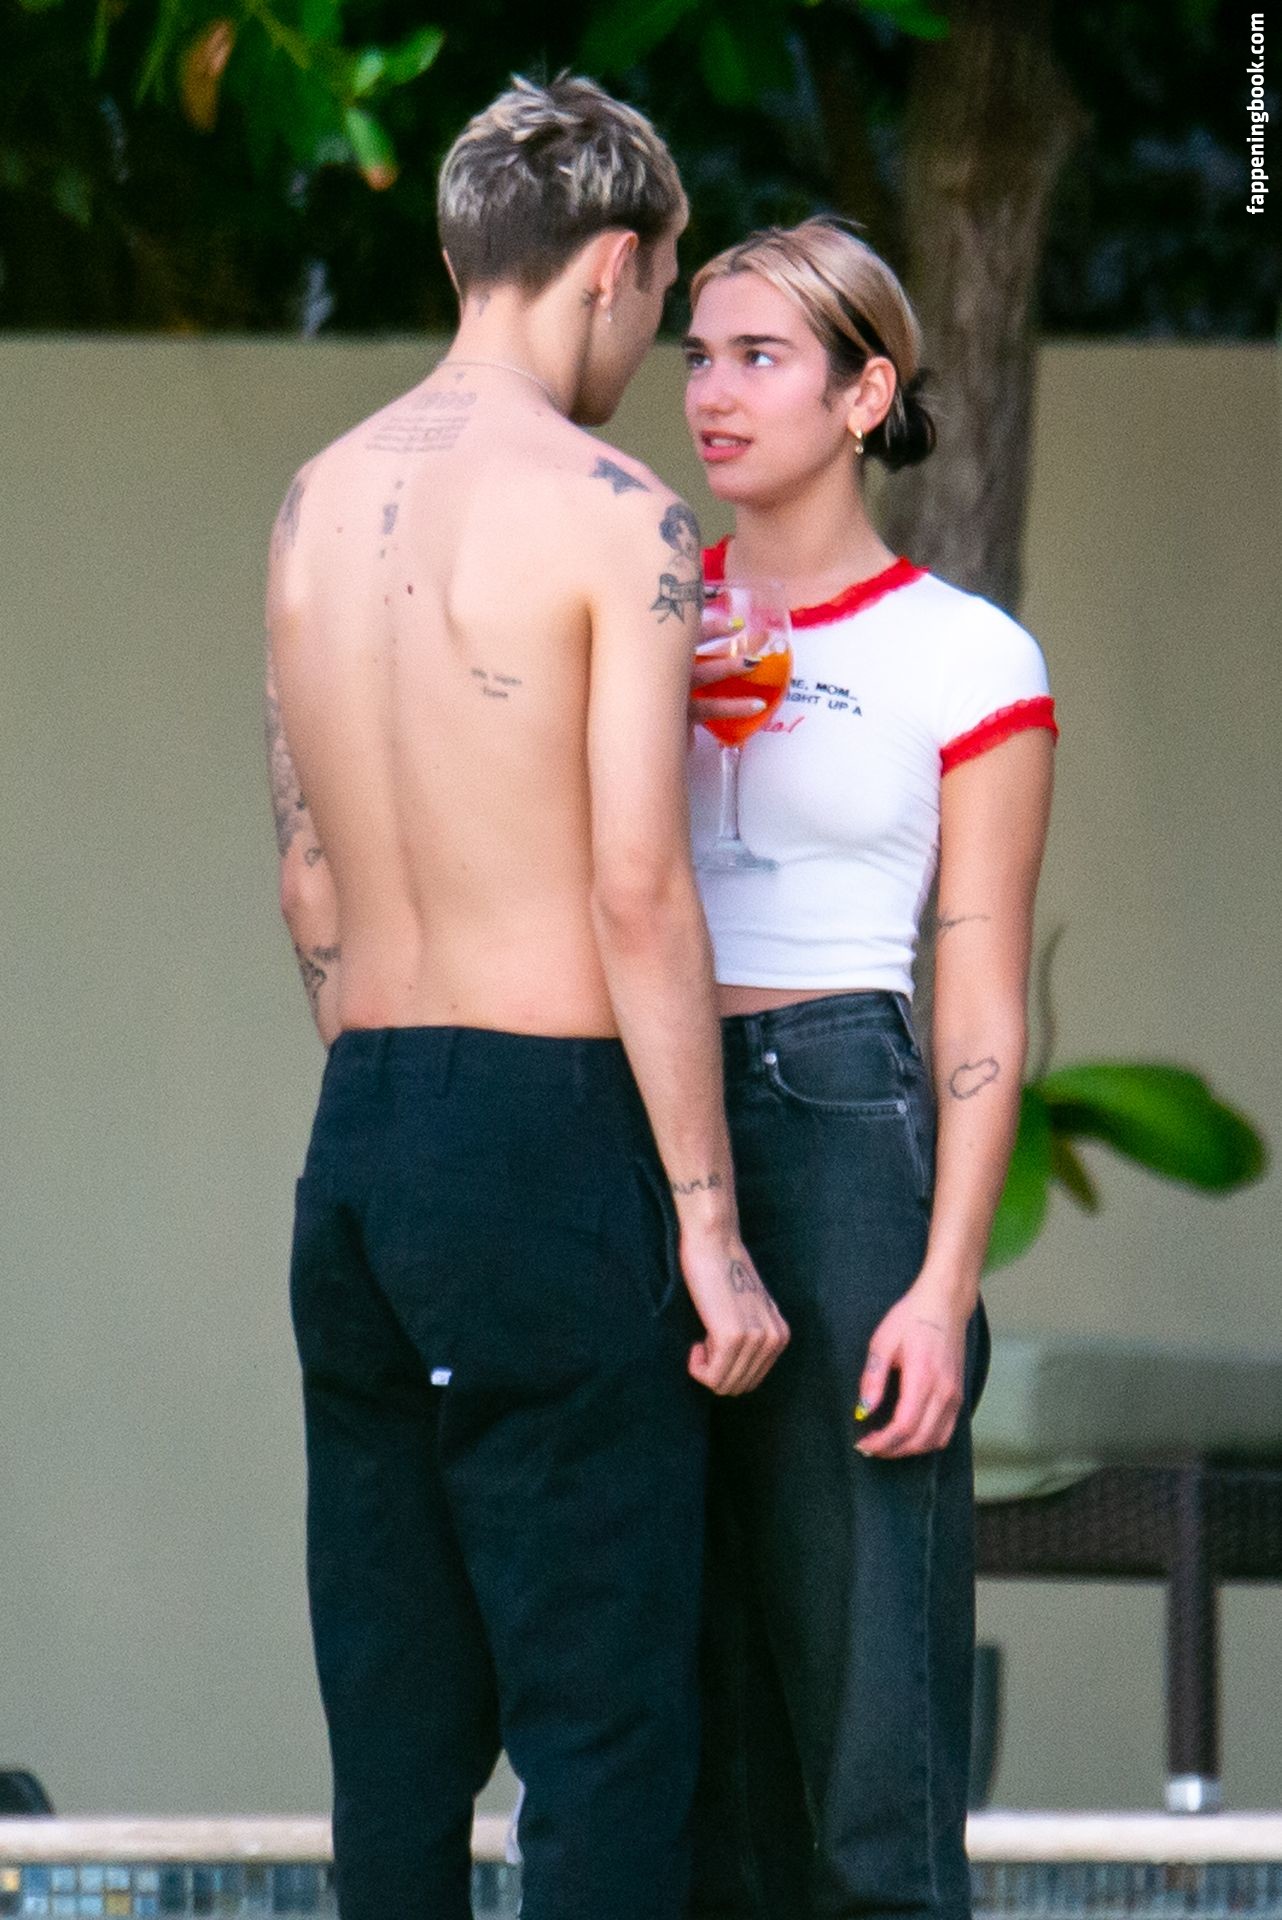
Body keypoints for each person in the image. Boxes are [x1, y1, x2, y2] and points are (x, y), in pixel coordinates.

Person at [264, 77, 788, 1920]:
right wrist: (708, 1226)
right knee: (604, 1732)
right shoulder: (618, 517)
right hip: (550, 1140)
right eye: (663, 302)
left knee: (394, 1735)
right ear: (616, 264)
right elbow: (637, 886)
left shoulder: (315, 502)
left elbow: (307, 879)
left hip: (361, 1138)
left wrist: (403, 1115)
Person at [680, 218, 1058, 1920]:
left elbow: (976, 992)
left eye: (759, 357)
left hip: (839, 1114)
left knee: (865, 1707)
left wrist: (940, 1287)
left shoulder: (964, 653)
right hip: (640, 1119)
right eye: (697, 352)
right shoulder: (637, 606)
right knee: (672, 1707)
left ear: (862, 392)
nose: (711, 390)